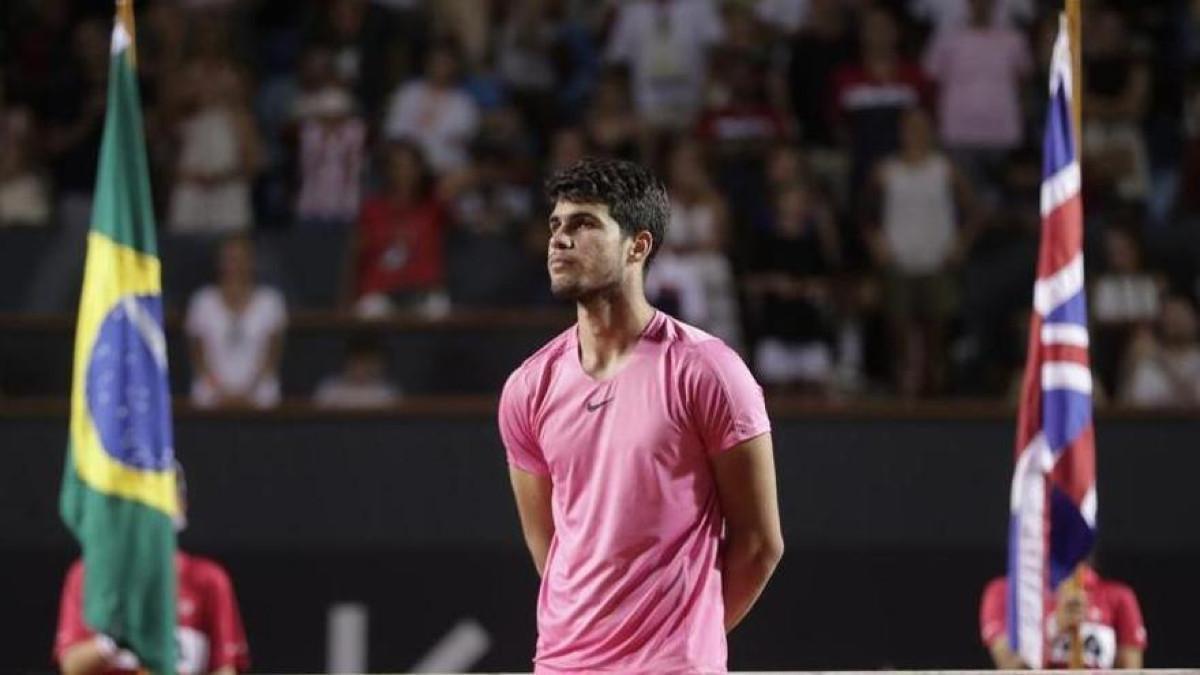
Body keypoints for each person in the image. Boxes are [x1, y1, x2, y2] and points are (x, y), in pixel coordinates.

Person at [499, 158, 784, 673]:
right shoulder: (527, 387)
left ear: (638, 246)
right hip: (562, 666)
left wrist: (682, 636)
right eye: (556, 225)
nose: (560, 239)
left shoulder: (709, 371)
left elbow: (761, 544)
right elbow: (551, 546)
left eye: (585, 224)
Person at [53, 464, 250, 675]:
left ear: (180, 504)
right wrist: (115, 641)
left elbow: (224, 669)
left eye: (158, 497)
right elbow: (71, 666)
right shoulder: (88, 576)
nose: (148, 512)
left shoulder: (208, 580)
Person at [185, 235, 287, 408]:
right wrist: (221, 392)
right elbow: (197, 356)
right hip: (212, 389)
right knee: (202, 393)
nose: (235, 265)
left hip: (258, 388)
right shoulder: (202, 301)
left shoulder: (270, 301)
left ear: (251, 262)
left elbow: (273, 355)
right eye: (229, 259)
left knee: (267, 393)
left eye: (240, 259)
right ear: (219, 263)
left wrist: (247, 393)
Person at [979, 564, 1147, 669]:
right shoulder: (1004, 592)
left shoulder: (1118, 596)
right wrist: (1054, 626)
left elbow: (1130, 669)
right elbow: (1008, 665)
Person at [314, 332, 401, 408]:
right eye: (359, 362)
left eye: (371, 363)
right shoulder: (330, 388)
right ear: (347, 362)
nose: (365, 368)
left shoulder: (387, 391)